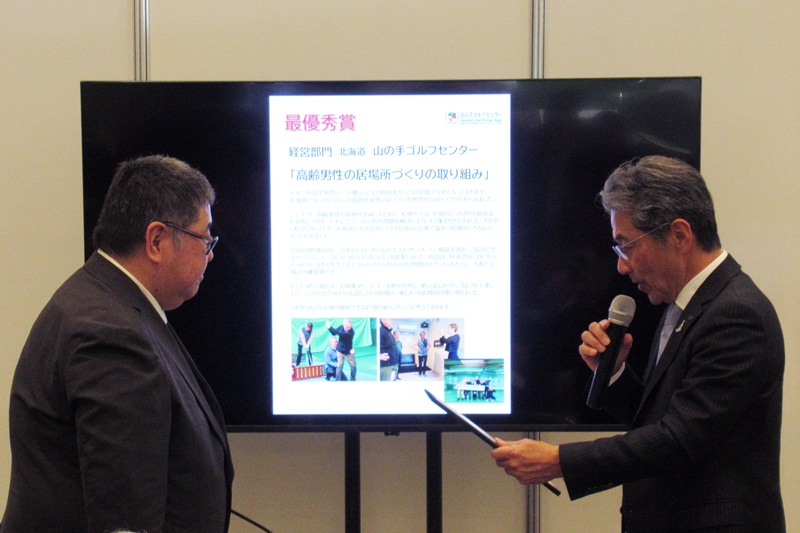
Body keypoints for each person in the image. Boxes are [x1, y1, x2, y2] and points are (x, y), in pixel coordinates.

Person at [491, 156, 785, 532]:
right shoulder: (687, 304)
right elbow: (664, 421)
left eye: (627, 246)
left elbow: (678, 440)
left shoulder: (736, 314)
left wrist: (558, 460)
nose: (622, 266)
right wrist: (614, 374)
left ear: (679, 235)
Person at [1, 156, 234, 532]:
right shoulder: (110, 332)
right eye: (204, 238)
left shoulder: (109, 301)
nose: (210, 253)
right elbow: (124, 520)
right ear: (156, 241)